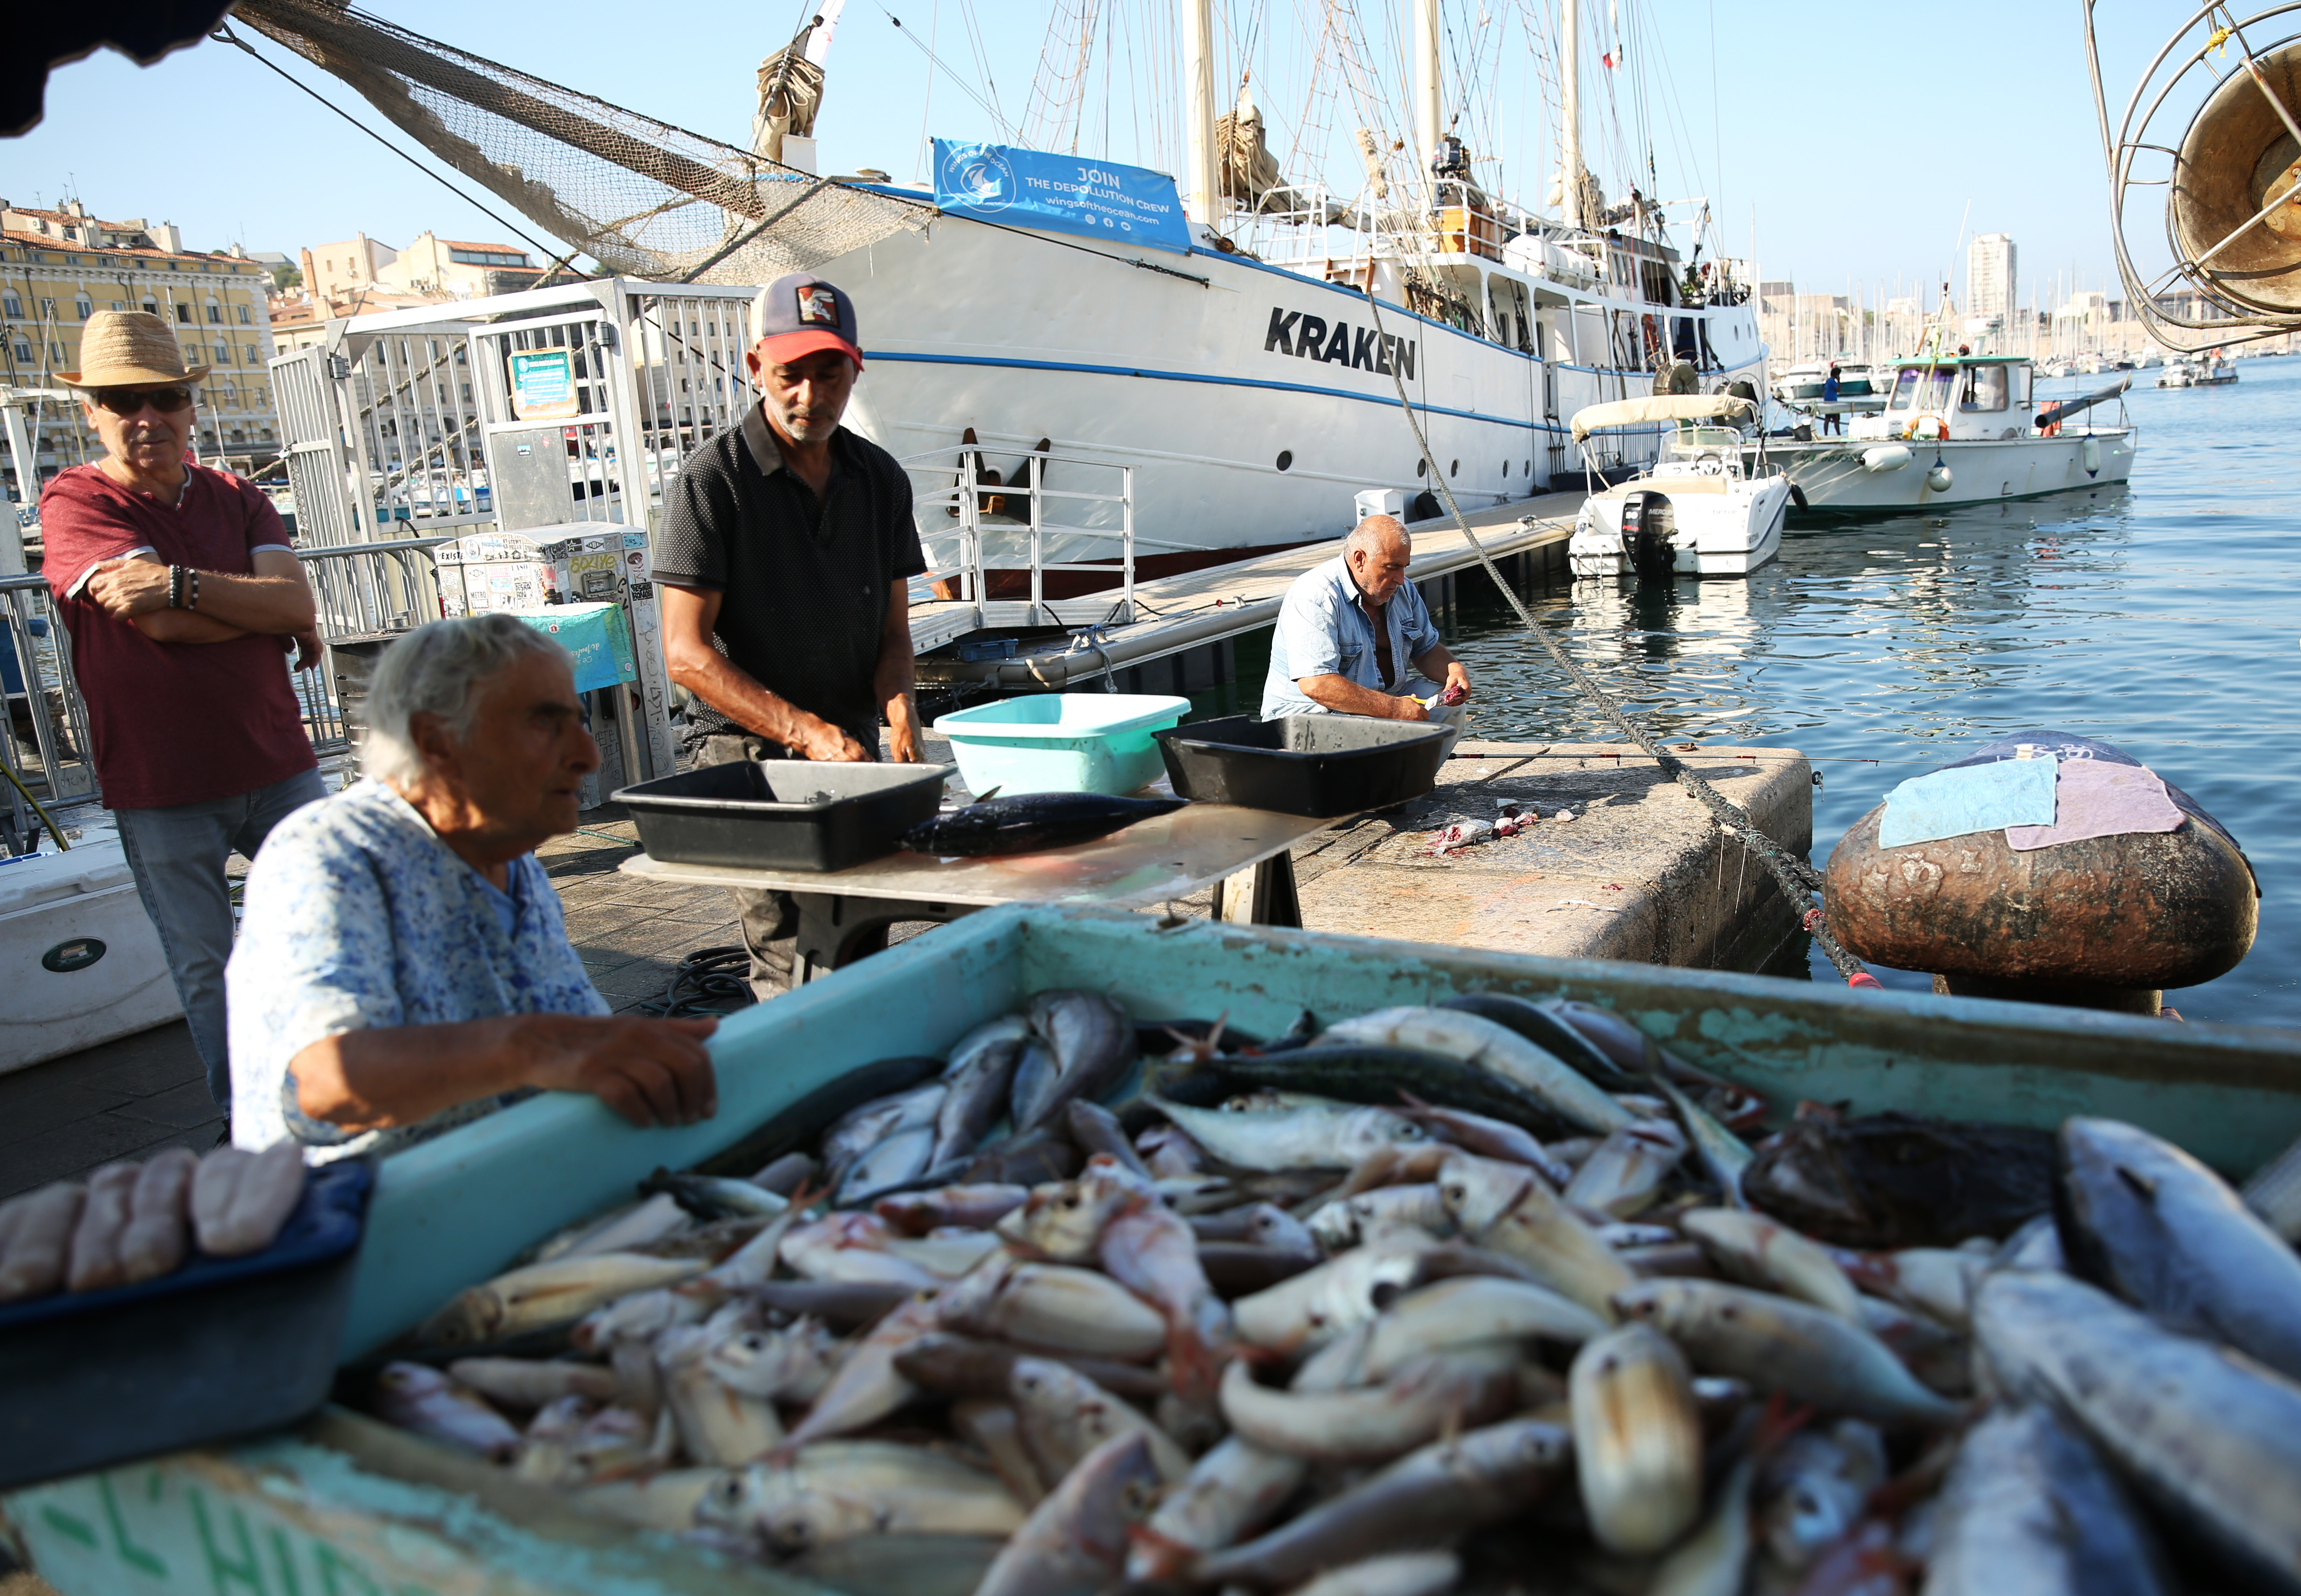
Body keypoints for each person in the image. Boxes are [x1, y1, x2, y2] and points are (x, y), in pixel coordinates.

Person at [224, 616, 719, 1158]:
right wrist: (529, 1049)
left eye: (577, 723)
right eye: (544, 724)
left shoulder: (508, 855)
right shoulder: (331, 852)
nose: (588, 756)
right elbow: (325, 1079)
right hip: (370, 1219)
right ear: (436, 741)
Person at [39, 310, 327, 1113]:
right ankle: (252, 1131)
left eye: (163, 396)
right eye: (120, 398)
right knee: (209, 971)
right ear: (89, 409)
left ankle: (351, 1106)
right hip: (162, 783)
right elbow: (160, 621)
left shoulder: (237, 494)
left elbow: (291, 598)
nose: (146, 417)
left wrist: (180, 582)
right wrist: (263, 612)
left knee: (336, 930)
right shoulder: (75, 501)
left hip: (279, 764)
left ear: (189, 406)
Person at [653, 272, 927, 997]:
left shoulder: (881, 480)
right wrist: (806, 732)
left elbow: (894, 632)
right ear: (754, 369)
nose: (811, 396)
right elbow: (684, 652)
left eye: (829, 374)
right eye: (790, 375)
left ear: (855, 368)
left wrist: (901, 715)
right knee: (788, 955)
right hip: (746, 750)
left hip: (850, 741)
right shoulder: (712, 481)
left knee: (865, 933)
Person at [1260, 515, 1472, 752]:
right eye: (1392, 568)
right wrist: (1395, 710)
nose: (1401, 579)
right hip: (1307, 718)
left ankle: (1409, 784)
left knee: (1450, 708)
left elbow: (1426, 650)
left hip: (1383, 700)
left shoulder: (1404, 590)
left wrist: (1454, 670)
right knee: (1375, 728)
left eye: (1404, 567)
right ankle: (1385, 784)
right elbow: (1316, 685)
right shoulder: (1315, 596)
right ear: (1360, 559)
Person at [1821, 364, 1843, 435]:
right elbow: (1839, 390)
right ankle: (1838, 434)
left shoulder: (1829, 381)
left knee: (1827, 418)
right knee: (1836, 418)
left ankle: (1826, 434)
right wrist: (1839, 381)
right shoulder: (1833, 381)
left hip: (1827, 401)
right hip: (1833, 402)